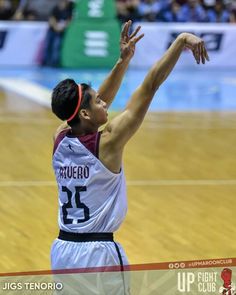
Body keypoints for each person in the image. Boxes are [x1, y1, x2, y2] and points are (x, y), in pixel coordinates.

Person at [50, 21, 209, 294]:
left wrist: (122, 61)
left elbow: (95, 104)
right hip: (98, 255)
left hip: (62, 251)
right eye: (97, 101)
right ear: (85, 114)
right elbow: (149, 87)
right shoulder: (108, 142)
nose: (104, 102)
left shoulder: (60, 137)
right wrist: (180, 40)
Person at [41, 0, 73, 67]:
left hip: (61, 31)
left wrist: (62, 28)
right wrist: (55, 27)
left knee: (56, 46)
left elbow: (70, 20)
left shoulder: (70, 8)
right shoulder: (56, 7)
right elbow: (52, 18)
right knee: (47, 46)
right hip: (52, 30)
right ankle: (45, 62)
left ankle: (54, 63)